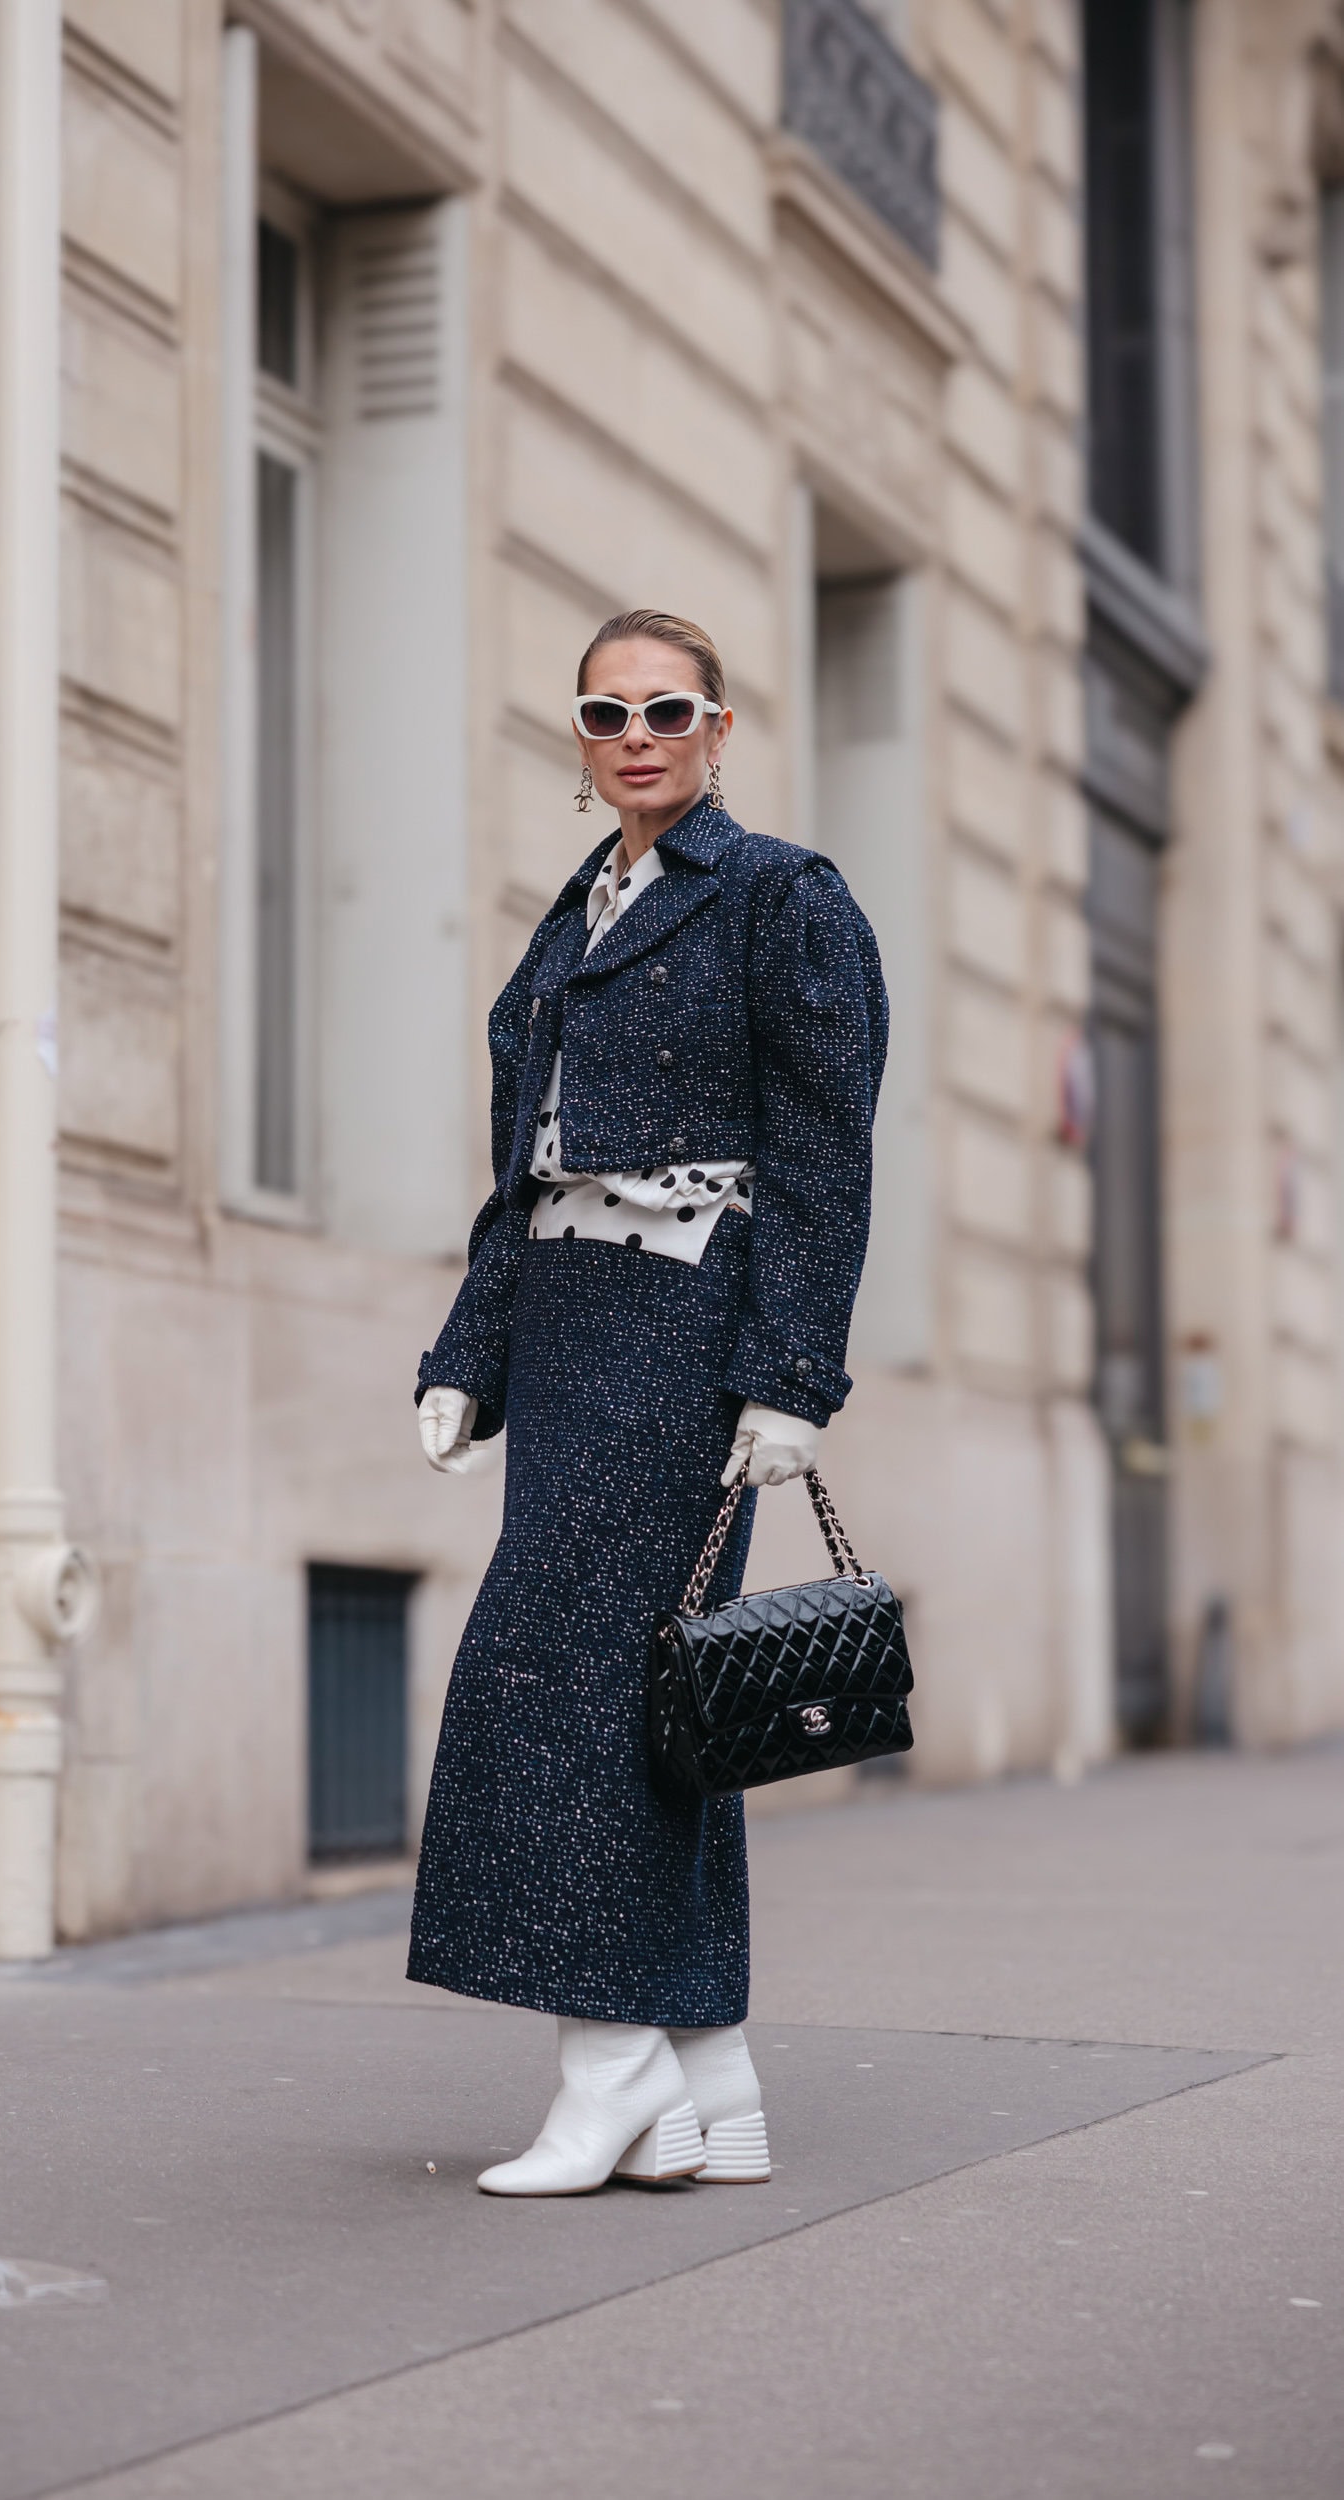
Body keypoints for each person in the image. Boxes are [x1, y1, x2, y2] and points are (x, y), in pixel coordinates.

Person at [409, 609, 887, 2196]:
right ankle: (707, 2082)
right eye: (608, 712)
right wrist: (469, 1353)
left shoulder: (783, 898)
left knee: (545, 1691)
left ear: (722, 724)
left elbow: (825, 1156)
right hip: (565, 1332)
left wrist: (791, 1379)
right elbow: (523, 1167)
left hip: (685, 1331)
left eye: (669, 708)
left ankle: (604, 2070)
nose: (639, 735)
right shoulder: (578, 910)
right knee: (655, 1714)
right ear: (582, 736)